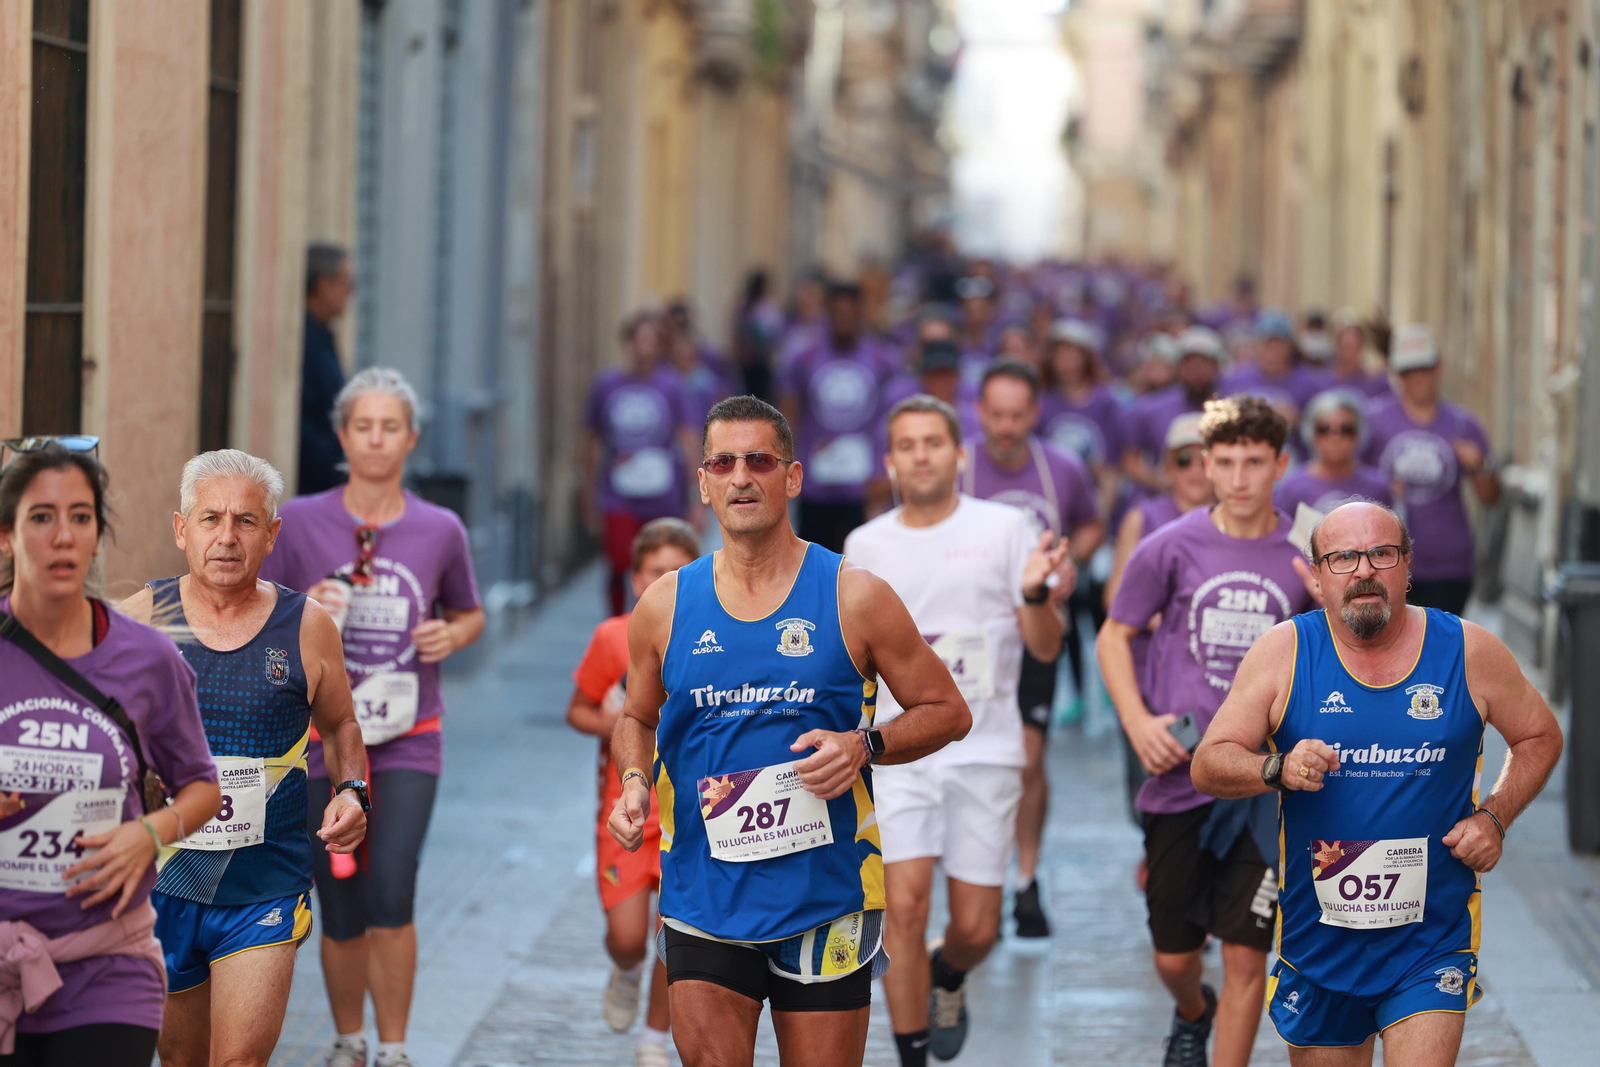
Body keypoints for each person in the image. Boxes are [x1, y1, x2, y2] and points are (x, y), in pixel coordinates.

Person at [606, 395, 971, 1067]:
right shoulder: (664, 604)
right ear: (705, 483)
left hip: (825, 895)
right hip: (703, 892)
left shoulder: (854, 594)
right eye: (723, 461)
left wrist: (865, 744)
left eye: (759, 460)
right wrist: (633, 781)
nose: (741, 476)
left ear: (792, 477)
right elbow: (636, 715)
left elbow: (948, 710)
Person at [1192, 501, 1564, 1066]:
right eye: (1343, 558)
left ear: (1407, 567)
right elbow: (1210, 763)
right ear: (1317, 576)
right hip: (1320, 943)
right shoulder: (1283, 654)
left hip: (1431, 937)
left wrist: (1494, 817)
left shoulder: (1467, 650)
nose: (1363, 570)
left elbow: (1540, 735)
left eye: (1381, 554)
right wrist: (1277, 767)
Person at [259, 369, 485, 1067]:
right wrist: (308, 604)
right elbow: (260, 613)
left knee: (392, 883)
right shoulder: (298, 520)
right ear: (342, 435)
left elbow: (468, 610)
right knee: (341, 892)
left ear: (412, 439)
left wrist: (454, 635)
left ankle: (394, 1048)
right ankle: (347, 1040)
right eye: (364, 426)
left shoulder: (439, 527)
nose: (377, 439)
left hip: (408, 737)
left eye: (391, 427)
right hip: (322, 741)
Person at [116, 451, 368, 1067]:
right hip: (162, 884)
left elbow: (339, 725)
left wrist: (352, 791)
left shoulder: (307, 626)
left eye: (246, 522)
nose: (227, 537)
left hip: (265, 888)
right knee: (181, 1060)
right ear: (182, 529)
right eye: (210, 519)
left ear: (272, 533)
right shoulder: (139, 623)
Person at [1097, 396, 1320, 1067]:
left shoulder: (1309, 544)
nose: (1241, 476)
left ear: (1281, 463)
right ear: (1206, 464)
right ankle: (1194, 1008)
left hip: (1266, 780)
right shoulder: (1172, 543)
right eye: (1225, 461)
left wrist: (1329, 591)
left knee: (1248, 950)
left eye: (1255, 461)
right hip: (1182, 773)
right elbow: (1115, 632)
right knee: (1174, 954)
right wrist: (1137, 720)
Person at [847, 396, 1069, 1064]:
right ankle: (912, 1050)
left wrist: (1034, 596)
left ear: (959, 455)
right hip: (899, 749)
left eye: (934, 442)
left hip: (985, 746)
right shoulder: (865, 544)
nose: (921, 454)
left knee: (977, 926)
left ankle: (950, 972)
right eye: (907, 444)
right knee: (904, 908)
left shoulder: (1005, 528)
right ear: (889, 462)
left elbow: (1048, 647)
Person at [0, 441, 222, 1066]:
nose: (62, 536)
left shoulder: (148, 660)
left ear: (98, 534)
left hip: (107, 968)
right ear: (7, 537)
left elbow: (202, 787)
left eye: (80, 516)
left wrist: (147, 834)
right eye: (41, 517)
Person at [962, 361, 1103, 939]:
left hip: (1036, 630)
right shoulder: (958, 467)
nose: (1006, 426)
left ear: (1035, 413)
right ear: (979, 412)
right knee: (965, 762)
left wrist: (1071, 557)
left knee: (1028, 758)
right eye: (996, 414)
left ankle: (1024, 879)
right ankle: (974, 876)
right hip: (967, 641)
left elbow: (1091, 525)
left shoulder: (1062, 468)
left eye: (1017, 415)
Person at [567, 518, 701, 1067]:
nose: (662, 582)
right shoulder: (611, 636)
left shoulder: (711, 638)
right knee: (628, 937)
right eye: (652, 572)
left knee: (674, 931)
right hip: (623, 811)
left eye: (675, 572)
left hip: (692, 816)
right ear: (633, 578)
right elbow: (577, 709)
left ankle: (652, 1039)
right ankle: (624, 970)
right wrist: (624, 727)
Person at [1103, 414, 1217, 820]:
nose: (1195, 470)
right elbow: (1114, 596)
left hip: (1216, 681)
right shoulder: (1145, 517)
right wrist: (1178, 617)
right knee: (1154, 784)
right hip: (1152, 679)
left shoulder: (1239, 523)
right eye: (1183, 460)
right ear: (1167, 468)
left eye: (1204, 459)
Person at [1362, 325, 1500, 615]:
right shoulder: (1373, 420)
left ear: (1438, 368)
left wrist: (1478, 467)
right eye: (1409, 371)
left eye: (1424, 369)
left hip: (1448, 564)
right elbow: (1350, 482)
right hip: (1386, 560)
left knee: (1437, 652)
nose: (1418, 378)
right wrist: (1381, 486)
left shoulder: (1462, 424)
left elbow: (1490, 497)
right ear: (1396, 374)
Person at [585, 310, 703, 615]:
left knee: (661, 568)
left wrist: (696, 497)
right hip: (618, 493)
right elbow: (590, 442)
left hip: (664, 494)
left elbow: (689, 440)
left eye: (651, 342)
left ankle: (651, 627)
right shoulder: (607, 385)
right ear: (628, 343)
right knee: (620, 560)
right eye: (638, 341)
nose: (644, 349)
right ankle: (616, 626)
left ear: (661, 347)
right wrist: (587, 495)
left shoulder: (672, 386)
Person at [780, 283, 899, 552]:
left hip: (863, 484)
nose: (844, 320)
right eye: (838, 313)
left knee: (859, 562)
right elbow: (789, 414)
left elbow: (890, 416)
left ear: (861, 314)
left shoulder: (883, 359)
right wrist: (786, 460)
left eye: (850, 313)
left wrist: (885, 470)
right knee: (812, 558)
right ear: (827, 314)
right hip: (815, 483)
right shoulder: (804, 358)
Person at [1123, 326, 1224, 496]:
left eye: (1203, 364)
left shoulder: (1231, 411)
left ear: (1216, 367)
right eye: (1189, 364)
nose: (1196, 371)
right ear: (1179, 368)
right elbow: (1130, 459)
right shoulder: (1152, 409)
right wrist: (1156, 481)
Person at [1038, 319, 1125, 515]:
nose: (1065, 358)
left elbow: (1111, 470)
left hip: (1094, 502)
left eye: (1072, 352)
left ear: (1086, 356)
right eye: (1059, 352)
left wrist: (1100, 519)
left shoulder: (1107, 403)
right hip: (1053, 502)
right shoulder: (1041, 402)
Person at [1276, 391, 1395, 516]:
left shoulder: (1379, 488)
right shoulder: (1291, 488)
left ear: (1359, 433)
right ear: (1311, 433)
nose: (1335, 438)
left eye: (1346, 429)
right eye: (1324, 429)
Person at [301, 244, 354, 496]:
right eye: (346, 283)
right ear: (323, 285)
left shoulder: (322, 335)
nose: (349, 293)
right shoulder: (304, 340)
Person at [1221, 310, 1331, 430]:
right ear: (1256, 345)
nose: (1272, 350)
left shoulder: (1310, 384)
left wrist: (1298, 419)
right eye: (1267, 343)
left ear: (1290, 346)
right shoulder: (1235, 379)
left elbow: (1323, 426)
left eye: (1278, 343)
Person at [1328, 310, 1391, 398]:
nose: (1349, 354)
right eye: (1346, 347)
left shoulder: (1376, 381)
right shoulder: (1324, 380)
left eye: (1352, 347)